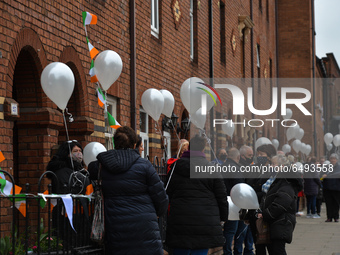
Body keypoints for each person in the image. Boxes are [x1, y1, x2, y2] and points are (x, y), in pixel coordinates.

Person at [88, 126, 169, 254]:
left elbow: (89, 172)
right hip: (145, 228)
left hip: (115, 228)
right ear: (135, 144)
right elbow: (161, 197)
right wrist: (157, 213)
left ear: (115, 143)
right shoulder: (145, 165)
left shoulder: (100, 166)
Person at [166, 135, 228, 255]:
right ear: (203, 149)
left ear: (188, 148)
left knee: (180, 250)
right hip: (205, 220)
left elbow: (168, 191)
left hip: (180, 219)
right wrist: (223, 218)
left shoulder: (176, 167)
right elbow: (221, 196)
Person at [46, 140, 90, 248]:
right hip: (66, 215)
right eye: (75, 151)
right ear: (67, 153)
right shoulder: (62, 171)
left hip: (79, 214)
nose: (79, 153)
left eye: (80, 150)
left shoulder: (80, 170)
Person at [257, 155, 303, 255]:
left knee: (278, 250)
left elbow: (281, 203)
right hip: (277, 222)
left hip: (282, 222)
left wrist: (265, 214)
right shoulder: (278, 179)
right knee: (274, 250)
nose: (271, 166)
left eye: (274, 164)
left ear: (282, 166)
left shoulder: (286, 182)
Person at [221, 148, 247, 255]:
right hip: (235, 203)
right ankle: (235, 252)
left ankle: (228, 252)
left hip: (225, 201)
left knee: (229, 231)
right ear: (238, 157)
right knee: (236, 231)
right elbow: (239, 187)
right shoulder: (235, 169)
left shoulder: (222, 167)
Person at [235, 145, 255, 255]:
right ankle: (240, 252)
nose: (251, 157)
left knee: (249, 231)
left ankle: (249, 250)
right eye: (249, 155)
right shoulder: (241, 168)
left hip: (250, 203)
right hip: (243, 204)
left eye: (252, 155)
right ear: (242, 156)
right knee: (242, 231)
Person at [322, 153, 340, 222]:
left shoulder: (339, 167)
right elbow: (321, 175)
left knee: (336, 203)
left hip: (336, 188)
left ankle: (336, 217)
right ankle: (329, 217)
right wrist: (323, 176)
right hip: (327, 188)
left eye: (334, 159)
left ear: (337, 160)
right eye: (332, 159)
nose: (333, 160)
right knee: (328, 203)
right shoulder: (327, 167)